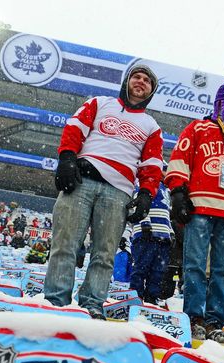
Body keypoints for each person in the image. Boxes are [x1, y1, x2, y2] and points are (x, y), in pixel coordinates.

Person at [44, 63, 163, 319]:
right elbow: (74, 129)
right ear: (127, 81)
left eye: (147, 81)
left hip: (118, 191)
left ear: (151, 91)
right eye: (137, 77)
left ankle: (92, 305)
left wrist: (146, 195)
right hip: (81, 180)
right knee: (65, 244)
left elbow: (152, 165)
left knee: (105, 254)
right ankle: (55, 303)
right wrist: (66, 158)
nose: (141, 82)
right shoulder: (99, 103)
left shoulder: (151, 125)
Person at [165, 61, 224, 342]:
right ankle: (194, 316)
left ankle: (215, 321)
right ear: (223, 100)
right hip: (200, 207)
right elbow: (180, 160)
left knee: (223, 270)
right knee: (194, 264)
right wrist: (179, 193)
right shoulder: (198, 129)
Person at [129, 178, 172, 304]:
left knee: (158, 270)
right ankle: (135, 296)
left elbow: (167, 213)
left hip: (163, 235)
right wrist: (144, 221)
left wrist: (171, 232)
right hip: (146, 234)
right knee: (141, 267)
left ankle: (151, 297)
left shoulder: (165, 189)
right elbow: (139, 204)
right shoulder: (144, 183)